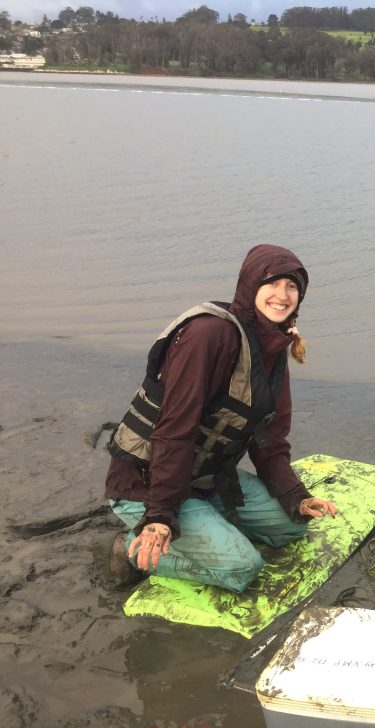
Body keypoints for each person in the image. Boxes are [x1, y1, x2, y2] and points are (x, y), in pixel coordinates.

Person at [106, 244, 338, 593]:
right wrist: (159, 515)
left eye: (292, 286)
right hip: (148, 483)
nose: (282, 295)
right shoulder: (209, 335)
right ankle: (128, 546)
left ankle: (210, 528)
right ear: (249, 286)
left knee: (291, 527)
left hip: (206, 480)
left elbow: (270, 439)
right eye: (272, 284)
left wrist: (296, 496)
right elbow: (174, 431)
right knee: (243, 568)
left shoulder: (272, 346)